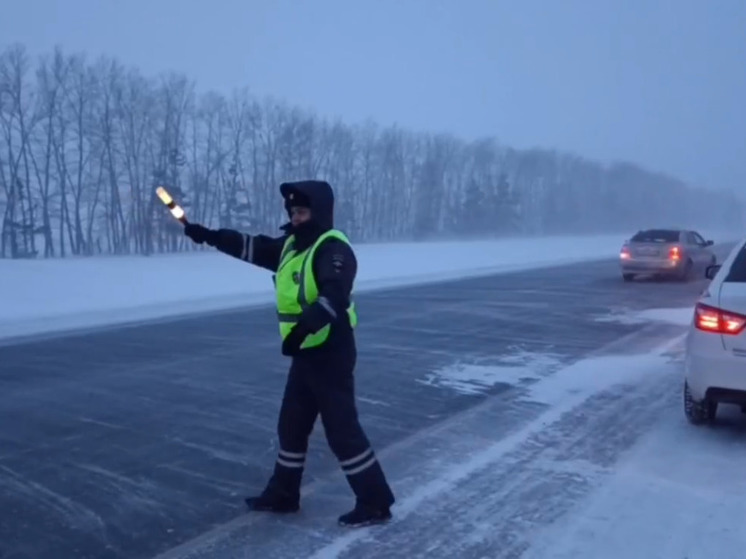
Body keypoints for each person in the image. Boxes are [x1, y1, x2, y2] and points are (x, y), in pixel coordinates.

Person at [182, 179, 396, 527]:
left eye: (302, 211)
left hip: (330, 350)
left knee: (342, 431)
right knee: (292, 426)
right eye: (293, 212)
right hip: (305, 352)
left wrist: (303, 329)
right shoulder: (292, 247)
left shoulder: (332, 249)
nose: (296, 218)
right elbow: (253, 246)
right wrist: (210, 235)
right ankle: (283, 494)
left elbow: (334, 295)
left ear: (320, 212)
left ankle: (374, 501)